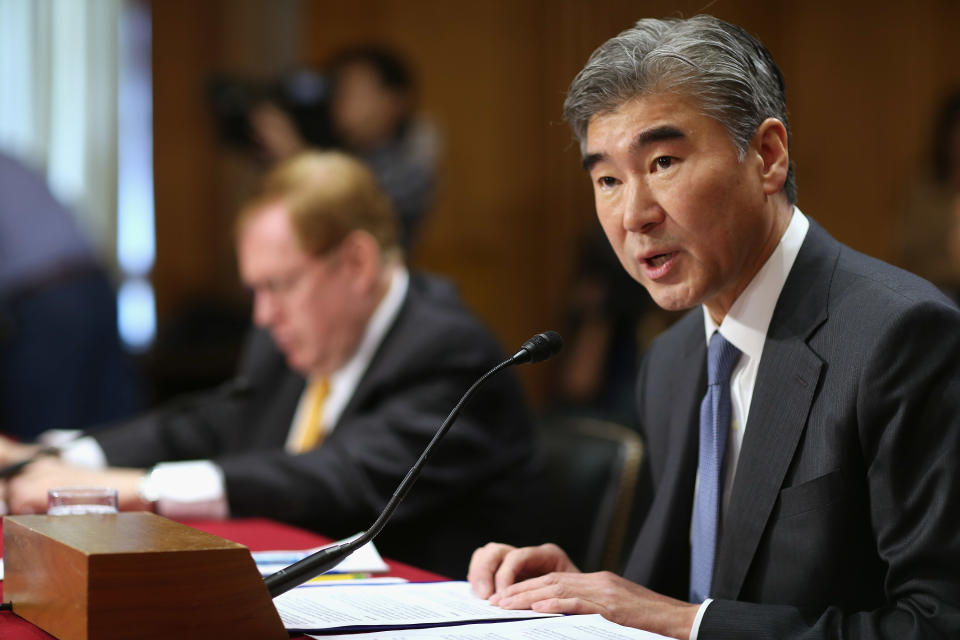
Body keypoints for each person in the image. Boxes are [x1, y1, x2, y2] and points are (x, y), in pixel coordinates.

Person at [467, 15, 960, 639]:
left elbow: (938, 623)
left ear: (768, 156)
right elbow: (701, 594)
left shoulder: (902, 338)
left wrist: (679, 620)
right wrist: (580, 595)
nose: (635, 215)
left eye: (664, 162)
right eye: (608, 180)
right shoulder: (673, 361)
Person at [0, 151, 541, 578]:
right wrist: (51, 457)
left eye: (279, 285)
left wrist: (138, 488)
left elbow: (339, 478)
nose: (263, 315)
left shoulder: (450, 350)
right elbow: (209, 423)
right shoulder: (295, 336)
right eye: (255, 289)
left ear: (356, 263)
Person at [0, 151, 142, 441]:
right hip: (94, 284)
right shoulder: (10, 161)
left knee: (48, 434)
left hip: (44, 300)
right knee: (109, 421)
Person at [249, 47, 438, 251]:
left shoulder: (409, 167)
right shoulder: (338, 153)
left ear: (392, 101)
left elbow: (357, 214)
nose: (341, 103)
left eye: (353, 92)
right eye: (338, 92)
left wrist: (295, 158)